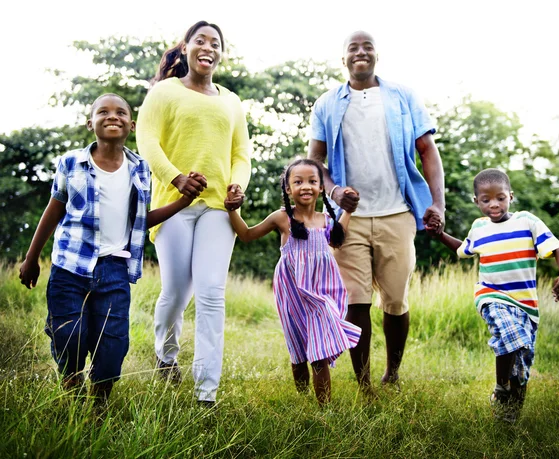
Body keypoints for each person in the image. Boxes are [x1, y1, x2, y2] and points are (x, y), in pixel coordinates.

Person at [19, 93, 195, 406]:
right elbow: (53, 209)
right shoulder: (71, 163)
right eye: (103, 112)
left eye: (120, 112)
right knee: (70, 337)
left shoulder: (140, 168)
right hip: (69, 267)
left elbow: (140, 220)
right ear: (91, 124)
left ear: (132, 124)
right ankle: (73, 397)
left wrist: (183, 201)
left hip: (114, 269)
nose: (112, 116)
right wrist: (31, 259)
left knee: (112, 347)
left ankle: (98, 408)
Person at [307, 30, 445, 394]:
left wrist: (437, 203)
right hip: (347, 220)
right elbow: (314, 161)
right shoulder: (327, 104)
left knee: (396, 300)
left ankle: (393, 373)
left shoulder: (402, 97)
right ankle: (364, 384)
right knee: (356, 300)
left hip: (397, 213)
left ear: (376, 56)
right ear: (344, 59)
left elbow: (428, 150)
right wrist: (334, 190)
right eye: (353, 48)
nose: (360, 52)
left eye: (367, 47)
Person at [136, 20, 252, 405]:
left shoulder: (231, 101)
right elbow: (147, 139)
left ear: (221, 53)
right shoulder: (165, 92)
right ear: (185, 48)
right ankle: (166, 355)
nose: (208, 47)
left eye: (215, 42)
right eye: (200, 40)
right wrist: (176, 177)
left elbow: (241, 155)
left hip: (219, 208)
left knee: (211, 294)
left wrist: (238, 186)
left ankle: (206, 391)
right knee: (175, 291)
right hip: (173, 205)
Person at [434, 168, 559, 422]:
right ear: (477, 202)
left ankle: (509, 416)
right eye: (485, 200)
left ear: (511, 196)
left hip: (526, 305)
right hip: (491, 295)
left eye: (500, 197)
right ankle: (500, 385)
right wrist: (439, 235)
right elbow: (462, 249)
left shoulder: (527, 221)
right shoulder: (479, 228)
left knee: (521, 367)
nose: (493, 204)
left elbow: (558, 247)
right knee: (508, 332)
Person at [225, 159, 361, 405]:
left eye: (312, 181)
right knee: (298, 350)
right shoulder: (281, 218)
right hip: (292, 291)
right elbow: (246, 235)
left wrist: (348, 211)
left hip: (321, 292)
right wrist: (232, 209)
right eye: (298, 182)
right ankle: (302, 398)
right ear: (288, 189)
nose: (305, 186)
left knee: (318, 352)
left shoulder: (325, 220)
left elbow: (337, 241)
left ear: (321, 188)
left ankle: (325, 410)